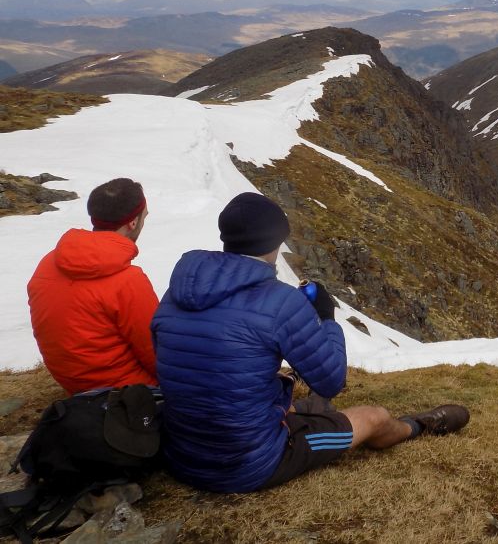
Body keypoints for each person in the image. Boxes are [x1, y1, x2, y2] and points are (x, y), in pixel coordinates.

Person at [151, 192, 469, 493]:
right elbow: (331, 381)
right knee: (374, 417)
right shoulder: (279, 301)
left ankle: (307, 413)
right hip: (245, 464)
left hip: (180, 454)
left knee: (272, 384)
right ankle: (417, 426)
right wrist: (326, 317)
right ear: (276, 241)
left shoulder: (177, 291)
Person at [27, 178, 158, 395]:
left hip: (74, 385)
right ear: (132, 223)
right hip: (127, 394)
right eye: (144, 216)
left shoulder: (49, 263)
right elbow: (156, 353)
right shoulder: (128, 280)